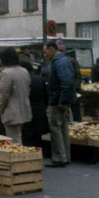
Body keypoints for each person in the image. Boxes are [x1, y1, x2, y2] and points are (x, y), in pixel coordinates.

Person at [44, 39, 76, 168]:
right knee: (62, 128)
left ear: (52, 49)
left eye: (46, 51)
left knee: (55, 128)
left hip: (58, 101)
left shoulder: (59, 62)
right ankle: (65, 156)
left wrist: (62, 100)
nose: (45, 54)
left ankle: (59, 157)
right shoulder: (63, 60)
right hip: (62, 99)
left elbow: (66, 82)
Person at [0, 47, 32, 144]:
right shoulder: (24, 71)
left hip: (11, 112)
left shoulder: (6, 73)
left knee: (13, 140)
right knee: (18, 136)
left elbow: (3, 94)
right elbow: (28, 89)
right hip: (24, 109)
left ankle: (17, 158)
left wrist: (0, 108)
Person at [21, 62, 50, 148]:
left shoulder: (24, 80)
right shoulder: (40, 80)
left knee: (28, 138)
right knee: (38, 137)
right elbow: (46, 96)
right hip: (40, 110)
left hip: (28, 110)